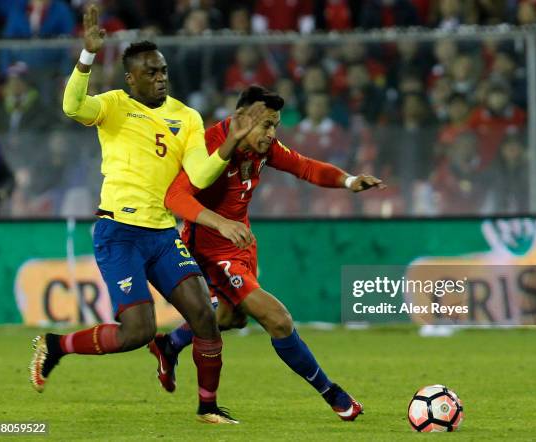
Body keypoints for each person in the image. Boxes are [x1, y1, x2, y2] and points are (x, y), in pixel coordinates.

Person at [28, 4, 266, 425]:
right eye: (151, 73)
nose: (160, 79)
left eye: (163, 71)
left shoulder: (186, 117)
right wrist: (86, 57)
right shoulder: (114, 105)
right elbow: (71, 106)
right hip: (118, 231)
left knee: (206, 318)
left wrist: (230, 143)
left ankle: (208, 407)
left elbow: (199, 173)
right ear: (130, 78)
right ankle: (55, 346)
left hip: (161, 233)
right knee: (136, 332)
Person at [148, 85, 385, 421]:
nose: (272, 134)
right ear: (241, 118)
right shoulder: (210, 144)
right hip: (210, 248)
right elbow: (175, 197)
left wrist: (348, 182)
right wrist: (220, 224)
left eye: (275, 125)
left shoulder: (263, 147)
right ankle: (334, 395)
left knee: (232, 317)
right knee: (278, 319)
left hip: (240, 244)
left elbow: (305, 167)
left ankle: (169, 345)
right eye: (266, 125)